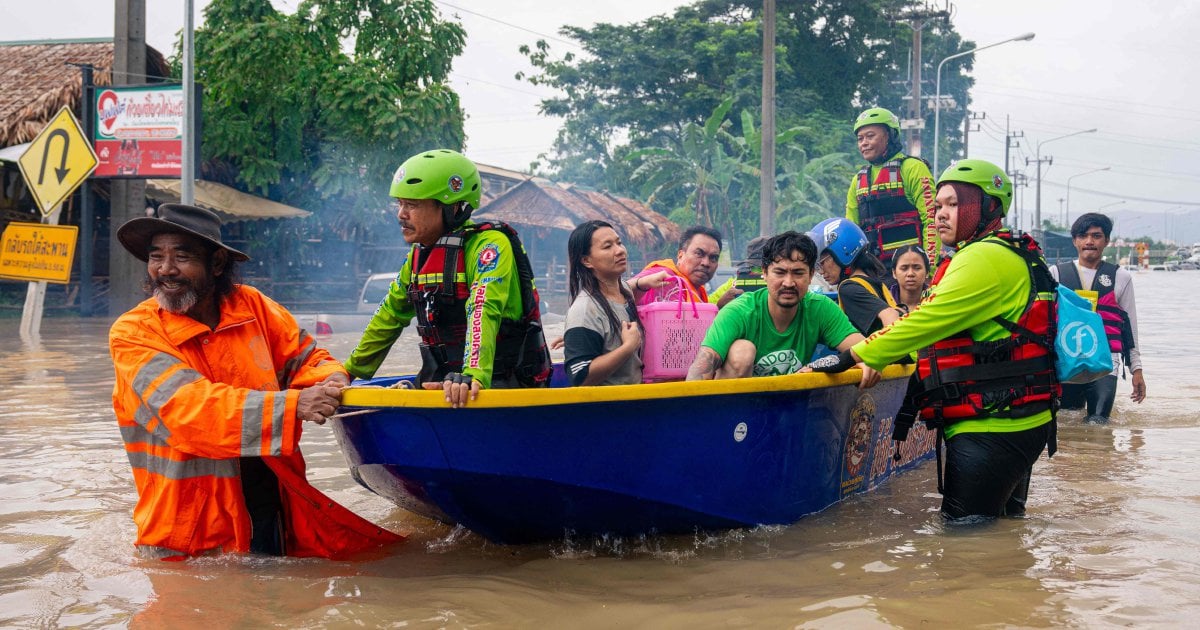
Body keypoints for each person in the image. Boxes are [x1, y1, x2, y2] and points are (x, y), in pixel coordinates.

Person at [109, 203, 402, 560]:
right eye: (157, 257)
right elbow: (190, 409)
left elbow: (307, 358)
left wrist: (333, 379)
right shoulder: (133, 333)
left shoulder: (254, 307)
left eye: (182, 257)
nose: (165, 270)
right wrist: (296, 404)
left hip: (270, 509)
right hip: (186, 534)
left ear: (216, 264)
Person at [816, 159, 1058, 520]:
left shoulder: (984, 258)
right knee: (1002, 533)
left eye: (954, 204)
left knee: (963, 545)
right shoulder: (1005, 252)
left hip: (992, 424)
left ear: (987, 207)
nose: (941, 214)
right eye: (938, 206)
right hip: (1016, 414)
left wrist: (855, 356)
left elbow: (925, 323)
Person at [345, 149, 551, 408]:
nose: (401, 214)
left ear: (452, 208)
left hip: (499, 382)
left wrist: (473, 374)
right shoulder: (418, 255)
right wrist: (347, 372)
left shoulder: (490, 244)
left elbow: (483, 308)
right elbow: (389, 315)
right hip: (446, 380)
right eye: (400, 204)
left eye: (413, 205)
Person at [686, 231, 878, 389]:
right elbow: (702, 365)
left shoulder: (820, 309)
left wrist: (863, 360)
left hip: (789, 411)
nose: (788, 283)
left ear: (811, 275)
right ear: (764, 273)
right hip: (737, 416)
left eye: (798, 273)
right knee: (742, 351)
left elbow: (865, 349)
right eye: (780, 272)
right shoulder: (740, 311)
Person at [1051, 212, 1146, 422]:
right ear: (1075, 241)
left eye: (1096, 236)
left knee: (1098, 421)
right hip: (1067, 361)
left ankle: (1101, 455)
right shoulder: (1056, 274)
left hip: (1106, 364)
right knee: (1066, 421)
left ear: (1107, 241)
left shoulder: (1120, 277)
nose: (1089, 242)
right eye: (1083, 236)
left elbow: (1129, 327)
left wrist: (1136, 369)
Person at [563, 220, 670, 386]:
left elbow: (628, 290)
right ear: (587, 261)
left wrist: (643, 283)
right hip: (609, 407)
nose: (619, 251)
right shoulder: (584, 311)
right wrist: (628, 347)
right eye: (607, 247)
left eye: (619, 243)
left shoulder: (624, 292)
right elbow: (580, 376)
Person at [845, 107, 939, 266]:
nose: (864, 143)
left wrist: (929, 268)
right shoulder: (858, 180)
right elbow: (850, 230)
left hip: (909, 270)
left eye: (870, 136)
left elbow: (931, 221)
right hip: (874, 270)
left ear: (889, 136)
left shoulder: (913, 168)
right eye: (860, 139)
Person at [810, 217, 902, 336]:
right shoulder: (872, 280)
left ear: (843, 252)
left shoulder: (848, 289)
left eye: (821, 263)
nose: (821, 272)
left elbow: (890, 316)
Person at [634, 225, 723, 305]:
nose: (706, 263)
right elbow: (622, 292)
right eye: (699, 253)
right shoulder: (663, 275)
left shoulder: (699, 291)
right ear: (680, 255)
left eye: (713, 258)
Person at [707, 235, 770, 306]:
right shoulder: (733, 285)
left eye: (765, 267)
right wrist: (719, 305)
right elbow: (706, 305)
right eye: (755, 267)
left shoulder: (734, 283)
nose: (759, 272)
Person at [889, 243, 930, 313]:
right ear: (894, 273)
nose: (910, 273)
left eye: (917, 268)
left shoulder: (937, 300)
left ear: (927, 272)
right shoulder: (883, 303)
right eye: (904, 268)